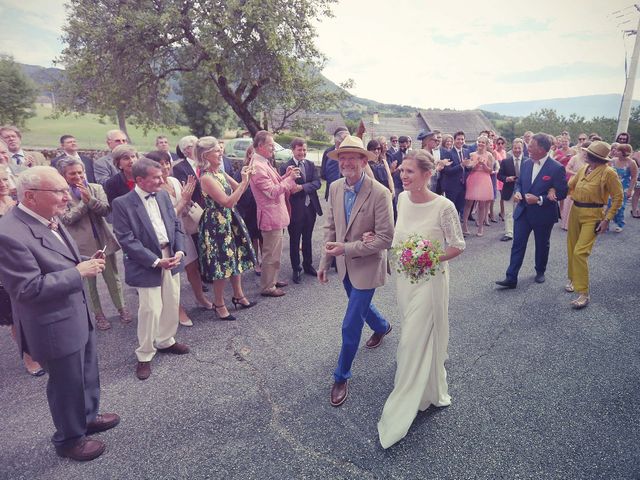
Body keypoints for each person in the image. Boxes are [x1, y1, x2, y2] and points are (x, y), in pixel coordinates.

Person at [0, 166, 119, 461]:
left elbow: (60, 257)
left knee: (87, 372)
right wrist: (79, 272)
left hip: (75, 312)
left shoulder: (46, 215)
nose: (68, 196)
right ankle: (69, 440)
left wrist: (83, 261)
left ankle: (87, 418)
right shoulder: (9, 233)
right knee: (66, 384)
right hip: (52, 324)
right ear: (30, 196)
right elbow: (27, 289)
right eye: (59, 191)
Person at [377, 149, 465, 449]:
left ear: (428, 174)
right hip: (405, 279)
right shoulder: (401, 199)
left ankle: (410, 392)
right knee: (411, 328)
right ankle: (421, 373)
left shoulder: (445, 206)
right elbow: (399, 237)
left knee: (414, 335)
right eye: (402, 170)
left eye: (410, 171)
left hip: (430, 279)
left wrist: (428, 258)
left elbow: (458, 245)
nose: (403, 175)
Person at [317, 135, 394, 408]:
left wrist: (346, 248)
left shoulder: (380, 193)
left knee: (351, 323)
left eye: (353, 157)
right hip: (343, 265)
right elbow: (331, 228)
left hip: (368, 265)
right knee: (358, 306)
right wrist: (325, 262)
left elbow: (385, 239)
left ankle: (341, 376)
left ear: (364, 161)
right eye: (342, 157)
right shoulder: (336, 187)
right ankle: (383, 326)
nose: (346, 162)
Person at [112, 158, 190, 381]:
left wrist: (180, 251)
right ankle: (145, 354)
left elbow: (176, 225)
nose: (161, 179)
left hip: (171, 256)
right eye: (155, 177)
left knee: (171, 300)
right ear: (139, 180)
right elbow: (126, 240)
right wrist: (156, 262)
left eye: (161, 175)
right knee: (150, 309)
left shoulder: (164, 195)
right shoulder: (122, 203)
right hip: (147, 262)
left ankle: (166, 340)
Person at [57, 157, 130, 331]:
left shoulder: (96, 188)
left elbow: (105, 210)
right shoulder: (61, 194)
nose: (77, 176)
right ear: (63, 175)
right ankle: (98, 314)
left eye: (80, 172)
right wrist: (84, 202)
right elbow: (67, 218)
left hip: (103, 239)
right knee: (90, 284)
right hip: (80, 246)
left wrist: (90, 199)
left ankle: (122, 308)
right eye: (72, 173)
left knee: (113, 277)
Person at [496, 133, 568, 288]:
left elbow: (562, 192)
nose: (527, 148)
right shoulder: (527, 163)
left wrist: (540, 199)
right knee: (517, 244)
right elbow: (520, 183)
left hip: (543, 214)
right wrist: (517, 191)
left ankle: (540, 271)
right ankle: (511, 277)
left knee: (542, 244)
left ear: (541, 149)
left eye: (530, 146)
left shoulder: (556, 168)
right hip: (523, 211)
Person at [146, 150, 209, 327]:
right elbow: (164, 218)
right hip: (165, 236)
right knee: (172, 275)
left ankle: (201, 298)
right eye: (161, 164)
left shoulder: (174, 181)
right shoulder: (154, 189)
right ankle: (178, 309)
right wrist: (184, 201)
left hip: (183, 231)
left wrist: (188, 199)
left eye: (168, 162)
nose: (166, 167)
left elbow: (185, 206)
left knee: (193, 268)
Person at [196, 137, 257, 319]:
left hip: (229, 221)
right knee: (221, 265)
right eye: (216, 150)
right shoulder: (206, 178)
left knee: (235, 259)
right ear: (205, 155)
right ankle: (219, 303)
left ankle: (238, 295)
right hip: (216, 225)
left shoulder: (220, 172)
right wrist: (244, 182)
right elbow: (228, 202)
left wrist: (246, 178)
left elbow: (239, 189)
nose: (220, 152)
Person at [566, 141, 623, 308]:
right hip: (575, 211)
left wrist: (607, 219)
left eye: (587, 153)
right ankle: (572, 280)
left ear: (595, 157)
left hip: (593, 215)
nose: (584, 154)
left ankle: (583, 293)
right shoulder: (584, 168)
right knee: (571, 247)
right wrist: (567, 192)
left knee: (580, 252)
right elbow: (571, 184)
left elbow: (618, 197)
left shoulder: (608, 173)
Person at [0, 164, 44, 376]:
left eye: (4, 180)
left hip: (26, 262)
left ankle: (41, 348)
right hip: (3, 273)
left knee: (33, 310)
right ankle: (30, 359)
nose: (2, 184)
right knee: (15, 317)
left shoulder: (15, 203)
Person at [249, 130, 300, 297]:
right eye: (271, 145)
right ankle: (267, 287)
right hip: (270, 216)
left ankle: (272, 279)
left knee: (274, 252)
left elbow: (276, 182)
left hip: (275, 215)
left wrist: (286, 175)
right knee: (270, 254)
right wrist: (290, 179)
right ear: (261, 146)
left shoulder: (263, 162)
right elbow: (272, 191)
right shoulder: (257, 167)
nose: (273, 148)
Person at [279, 138, 322, 283]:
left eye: (304, 149)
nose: (302, 152)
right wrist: (294, 187)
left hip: (310, 208)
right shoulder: (286, 166)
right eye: (299, 150)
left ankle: (308, 265)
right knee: (295, 240)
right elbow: (285, 185)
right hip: (295, 209)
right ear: (293, 150)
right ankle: (296, 269)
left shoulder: (310, 164)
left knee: (308, 238)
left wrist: (302, 187)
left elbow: (317, 183)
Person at [235, 145, 263, 275]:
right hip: (248, 209)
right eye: (252, 153)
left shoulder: (263, 168)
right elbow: (237, 190)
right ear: (249, 155)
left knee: (263, 236)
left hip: (261, 207)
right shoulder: (242, 171)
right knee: (253, 238)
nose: (254, 156)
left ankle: (265, 262)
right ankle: (256, 262)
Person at [462, 135, 494, 237]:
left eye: (483, 142)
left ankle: (480, 227)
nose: (480, 144)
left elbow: (490, 170)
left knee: (482, 205)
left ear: (486, 144)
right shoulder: (472, 154)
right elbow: (469, 169)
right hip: (474, 178)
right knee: (469, 203)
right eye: (479, 142)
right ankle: (465, 225)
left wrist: (483, 165)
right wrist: (476, 164)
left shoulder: (489, 155)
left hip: (484, 179)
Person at [497, 138, 525, 241]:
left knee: (520, 212)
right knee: (509, 213)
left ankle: (519, 231)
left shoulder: (527, 161)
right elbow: (499, 176)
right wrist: (506, 179)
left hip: (522, 191)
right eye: (515, 148)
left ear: (522, 149)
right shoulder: (505, 161)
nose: (517, 150)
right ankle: (509, 233)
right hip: (508, 190)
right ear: (512, 149)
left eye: (519, 148)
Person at [607, 143, 638, 232]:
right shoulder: (612, 160)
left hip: (623, 187)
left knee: (620, 206)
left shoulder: (631, 163)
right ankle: (606, 223)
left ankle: (620, 223)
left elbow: (634, 177)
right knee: (609, 205)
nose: (615, 151)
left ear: (624, 152)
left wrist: (630, 190)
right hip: (611, 187)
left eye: (618, 150)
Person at [440, 131, 468, 217]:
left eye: (462, 139)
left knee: (461, 208)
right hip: (452, 186)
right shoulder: (448, 153)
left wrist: (470, 165)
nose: (460, 141)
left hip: (463, 185)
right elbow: (447, 171)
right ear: (454, 140)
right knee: (451, 209)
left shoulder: (466, 151)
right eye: (458, 139)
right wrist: (461, 165)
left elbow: (467, 169)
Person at [321, 127, 349, 201]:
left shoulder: (349, 153)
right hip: (331, 193)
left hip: (347, 193)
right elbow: (323, 173)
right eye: (344, 138)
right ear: (336, 139)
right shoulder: (328, 152)